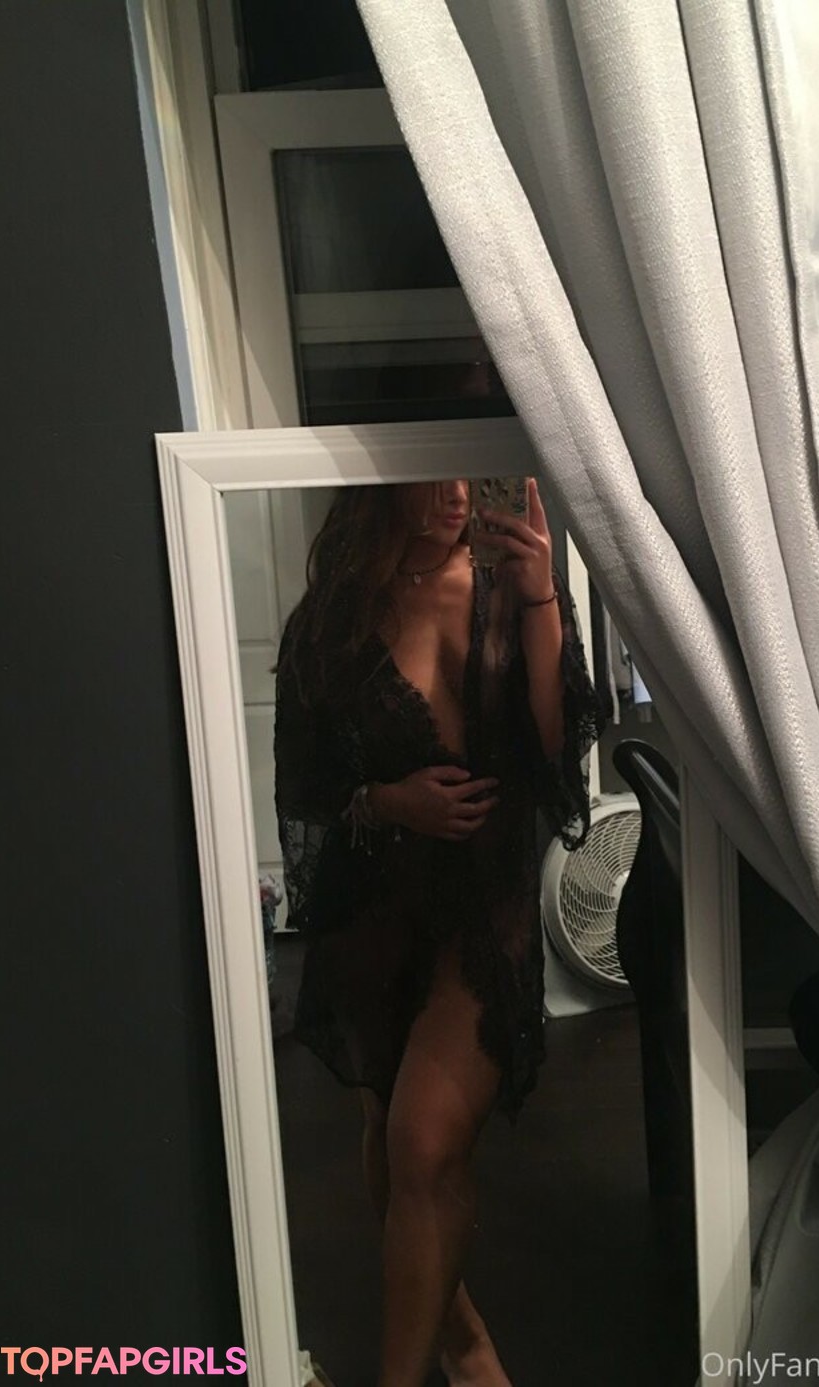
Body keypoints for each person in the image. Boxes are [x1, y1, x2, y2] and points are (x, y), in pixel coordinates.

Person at [272, 476, 605, 1387]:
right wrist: (389, 800)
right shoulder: (335, 618)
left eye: (466, 472)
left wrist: (540, 595)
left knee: (421, 1138)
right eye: (431, 475)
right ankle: (462, 1344)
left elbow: (555, 754)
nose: (456, 492)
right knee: (393, 1138)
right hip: (375, 911)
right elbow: (306, 787)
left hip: (483, 906)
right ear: (382, 482)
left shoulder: (510, 589)